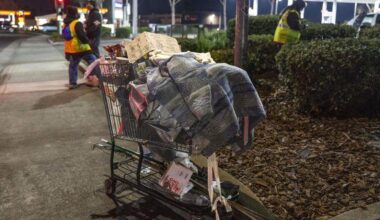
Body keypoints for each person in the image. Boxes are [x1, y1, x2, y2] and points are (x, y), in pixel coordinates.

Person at [63, 5, 100, 89]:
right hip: (82, 48)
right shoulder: (77, 23)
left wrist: (67, 52)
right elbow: (82, 36)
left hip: (73, 50)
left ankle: (72, 83)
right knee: (94, 62)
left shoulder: (66, 24)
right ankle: (95, 79)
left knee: (73, 66)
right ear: (75, 13)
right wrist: (88, 42)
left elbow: (67, 37)